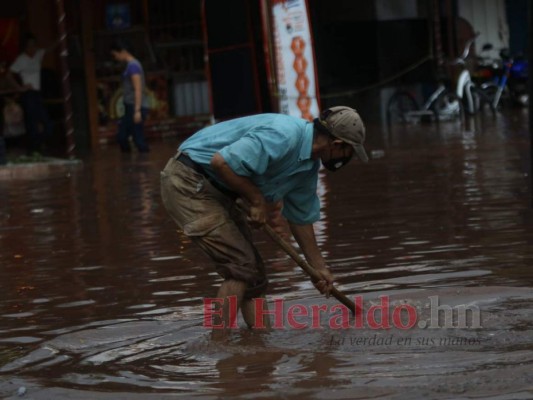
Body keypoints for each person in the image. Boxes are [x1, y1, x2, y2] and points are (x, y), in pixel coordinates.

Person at [160, 106, 368, 332]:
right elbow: (222, 163)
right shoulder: (283, 134)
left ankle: (261, 342)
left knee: (255, 274)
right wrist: (257, 200)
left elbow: (300, 218)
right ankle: (219, 345)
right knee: (241, 263)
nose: (348, 160)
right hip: (190, 181)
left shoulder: (308, 167)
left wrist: (319, 268)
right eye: (349, 153)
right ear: (337, 145)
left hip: (224, 191)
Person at [7, 34, 54, 154]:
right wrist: (20, 88)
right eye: (30, 45)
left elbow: (51, 48)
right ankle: (34, 148)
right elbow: (9, 75)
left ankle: (41, 144)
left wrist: (64, 35)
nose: (32, 48)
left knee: (45, 121)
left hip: (37, 92)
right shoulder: (21, 59)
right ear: (25, 47)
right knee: (32, 122)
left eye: (34, 45)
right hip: (28, 93)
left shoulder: (38, 55)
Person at [110, 40, 150, 153]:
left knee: (136, 138)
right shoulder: (130, 66)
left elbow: (138, 89)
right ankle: (132, 165)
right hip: (131, 105)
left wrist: (137, 111)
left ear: (123, 52)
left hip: (135, 106)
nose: (115, 57)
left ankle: (145, 164)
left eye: (115, 54)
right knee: (125, 136)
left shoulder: (133, 66)